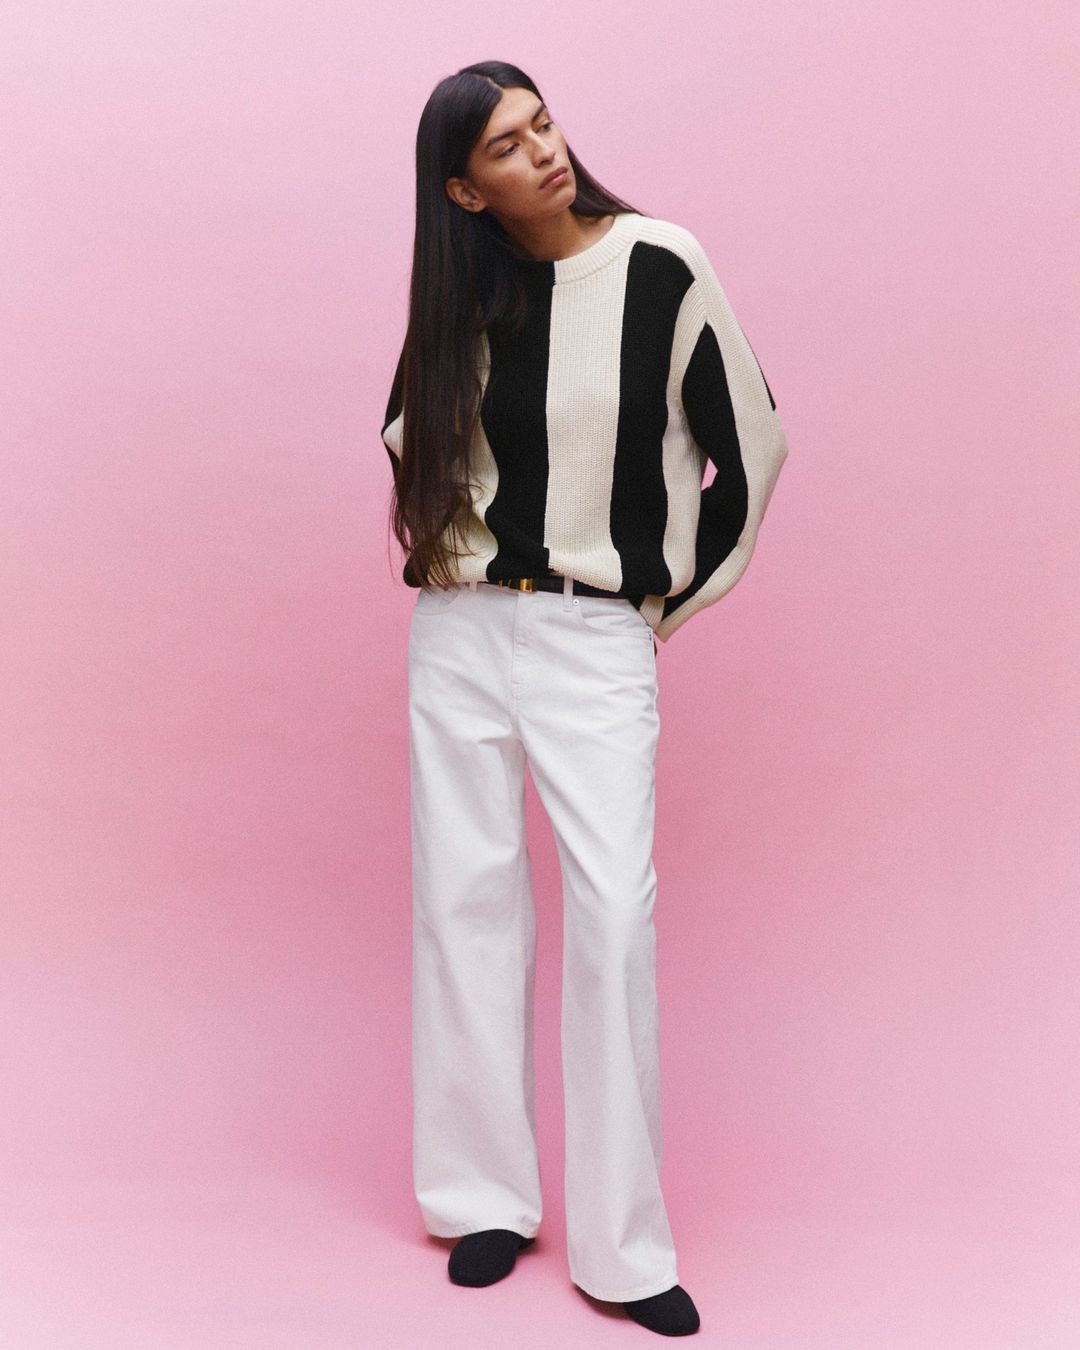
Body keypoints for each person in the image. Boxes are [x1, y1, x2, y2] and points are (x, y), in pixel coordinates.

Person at [380, 60, 788, 1338]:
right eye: (507, 146)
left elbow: (752, 448)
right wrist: (458, 553)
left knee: (611, 915)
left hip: (592, 630)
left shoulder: (663, 265)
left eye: (542, 123)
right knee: (465, 903)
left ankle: (623, 1249)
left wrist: (655, 605)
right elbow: (405, 436)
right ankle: (481, 1199)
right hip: (459, 630)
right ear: (464, 190)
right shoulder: (461, 298)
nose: (544, 151)